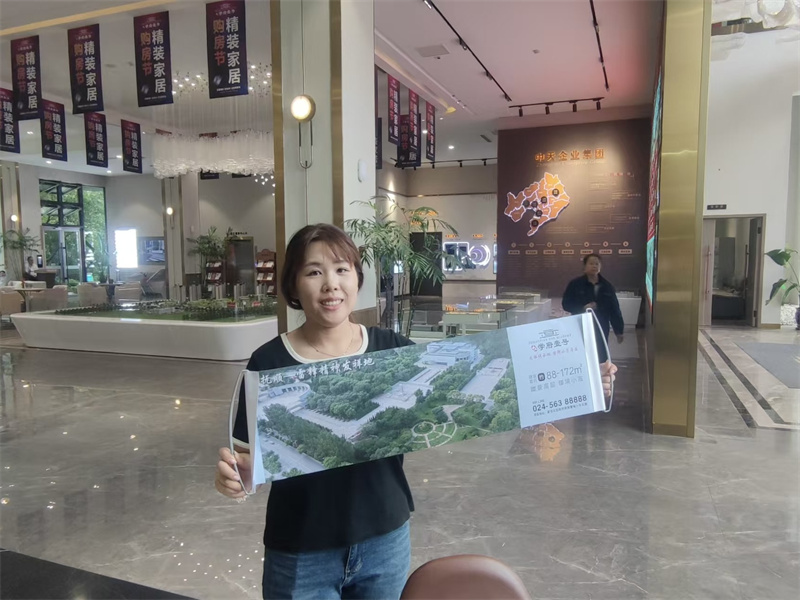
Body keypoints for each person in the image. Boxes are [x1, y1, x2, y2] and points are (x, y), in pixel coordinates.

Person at [216, 224, 617, 599]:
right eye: (313, 272)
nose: (330, 284)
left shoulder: (391, 348)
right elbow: (251, 460)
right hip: (302, 552)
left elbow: (505, 383)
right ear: (293, 284)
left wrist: (583, 379)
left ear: (357, 279)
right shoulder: (268, 362)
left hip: (383, 543)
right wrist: (238, 477)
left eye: (341, 269)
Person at [562, 254, 625, 363]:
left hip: (601, 327)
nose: (594, 266)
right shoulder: (575, 284)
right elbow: (566, 304)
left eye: (597, 264)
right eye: (591, 263)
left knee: (600, 356)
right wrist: (582, 308)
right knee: (581, 356)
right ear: (584, 266)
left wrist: (619, 330)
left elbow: (614, 309)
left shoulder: (607, 286)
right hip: (580, 325)